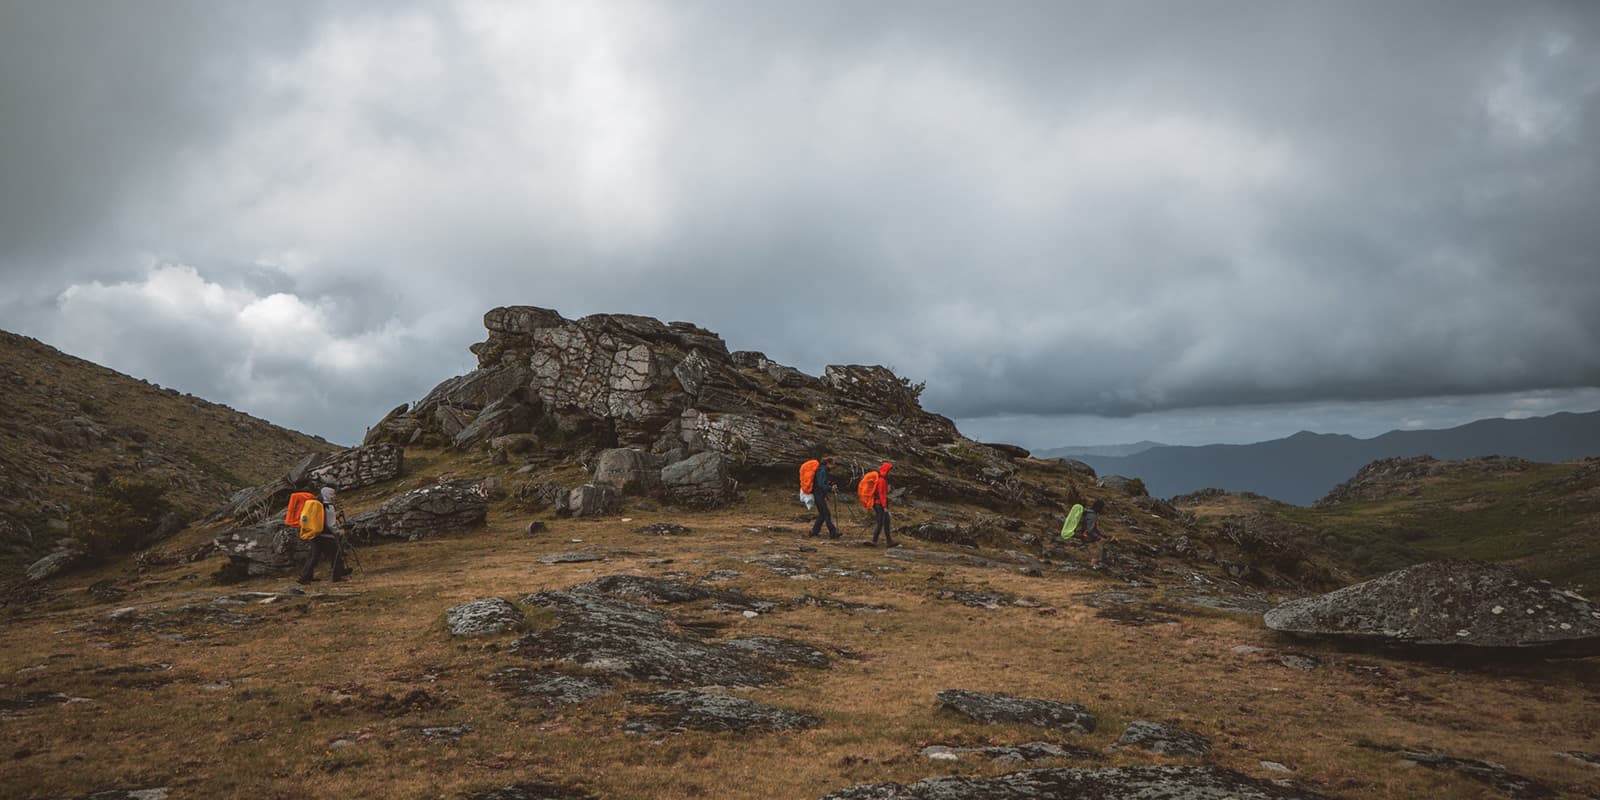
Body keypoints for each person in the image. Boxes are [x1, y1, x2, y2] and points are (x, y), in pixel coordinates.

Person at [298, 486, 349, 584]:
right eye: (333, 494)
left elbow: (322, 518)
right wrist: (339, 532)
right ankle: (337, 576)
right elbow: (330, 524)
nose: (334, 496)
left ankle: (305, 577)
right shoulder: (328, 506)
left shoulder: (318, 503)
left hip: (315, 533)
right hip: (326, 536)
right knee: (336, 554)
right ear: (329, 494)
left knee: (313, 556)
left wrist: (335, 515)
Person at [809, 456, 841, 539]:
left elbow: (824, 482)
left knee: (822, 514)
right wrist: (830, 488)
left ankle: (814, 531)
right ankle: (833, 532)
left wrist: (831, 484)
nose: (834, 466)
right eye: (833, 464)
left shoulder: (824, 470)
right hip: (818, 494)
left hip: (819, 494)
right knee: (826, 514)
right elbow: (821, 484)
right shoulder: (822, 470)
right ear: (828, 463)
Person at [1080, 498, 1113, 568]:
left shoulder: (1090, 514)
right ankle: (1092, 569)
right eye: (1102, 508)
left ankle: (1094, 567)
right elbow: (1090, 529)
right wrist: (1098, 537)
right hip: (1088, 538)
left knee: (1097, 552)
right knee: (1096, 554)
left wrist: (1101, 535)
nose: (1103, 509)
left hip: (1088, 537)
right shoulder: (1091, 516)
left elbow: (1092, 528)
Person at [869, 461, 896, 548]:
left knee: (885, 521)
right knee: (881, 522)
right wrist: (884, 507)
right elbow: (882, 494)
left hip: (878, 504)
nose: (890, 472)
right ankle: (875, 541)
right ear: (886, 470)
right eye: (889, 470)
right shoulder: (882, 480)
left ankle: (888, 541)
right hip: (879, 504)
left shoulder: (881, 478)